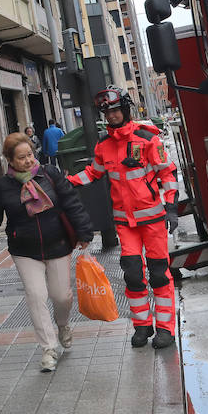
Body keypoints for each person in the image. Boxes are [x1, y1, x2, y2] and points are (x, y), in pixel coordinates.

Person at [68, 86, 179, 350]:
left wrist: (172, 207)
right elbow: (92, 173)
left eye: (116, 110)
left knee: (160, 275)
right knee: (132, 275)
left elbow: (167, 173)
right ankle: (142, 326)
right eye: (108, 112)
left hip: (152, 221)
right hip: (126, 224)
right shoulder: (104, 146)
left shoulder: (146, 139)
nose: (113, 116)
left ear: (125, 110)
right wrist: (64, 183)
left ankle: (165, 330)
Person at [0, 132, 92, 372]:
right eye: (21, 157)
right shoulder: (3, 186)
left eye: (30, 155)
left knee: (62, 296)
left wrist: (85, 232)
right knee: (36, 296)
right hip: (24, 250)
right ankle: (48, 348)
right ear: (10, 161)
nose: (28, 161)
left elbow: (71, 203)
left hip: (57, 244)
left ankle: (63, 324)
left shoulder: (50, 174)